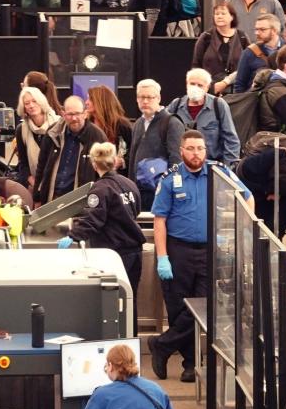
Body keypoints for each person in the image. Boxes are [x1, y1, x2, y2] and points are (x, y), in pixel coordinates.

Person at [149, 130, 251, 382]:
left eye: (200, 149)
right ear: (181, 151)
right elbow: (159, 221)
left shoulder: (219, 172)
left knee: (205, 305)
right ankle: (190, 362)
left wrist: (243, 228)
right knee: (178, 307)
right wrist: (162, 257)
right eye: (191, 148)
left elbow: (247, 197)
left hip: (209, 248)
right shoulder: (170, 179)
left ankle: (162, 344)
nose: (196, 154)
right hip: (178, 250)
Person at [60, 142, 144, 324]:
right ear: (114, 161)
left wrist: (73, 236)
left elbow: (93, 219)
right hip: (135, 251)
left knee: (112, 302)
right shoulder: (129, 184)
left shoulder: (99, 190)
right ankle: (131, 343)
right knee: (130, 300)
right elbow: (136, 210)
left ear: (94, 164)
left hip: (112, 254)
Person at [32, 95, 107, 206]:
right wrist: (37, 197)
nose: (74, 118)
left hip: (80, 203)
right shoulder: (52, 133)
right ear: (63, 114)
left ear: (85, 114)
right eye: (70, 114)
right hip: (52, 199)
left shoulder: (97, 137)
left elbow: (105, 175)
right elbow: (41, 166)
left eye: (77, 113)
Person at [127, 79, 185, 210]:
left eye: (149, 97)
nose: (145, 101)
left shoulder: (172, 123)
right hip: (139, 194)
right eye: (141, 97)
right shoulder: (138, 124)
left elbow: (177, 160)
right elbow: (132, 159)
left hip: (161, 193)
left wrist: (170, 190)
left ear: (158, 98)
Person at [166, 69, 240, 167]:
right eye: (192, 84)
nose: (195, 88)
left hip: (211, 167)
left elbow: (231, 140)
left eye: (200, 85)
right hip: (182, 168)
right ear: (186, 84)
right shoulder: (175, 105)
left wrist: (228, 170)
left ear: (207, 87)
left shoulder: (218, 105)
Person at [192, 2, 249, 95]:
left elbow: (247, 65)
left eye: (223, 13)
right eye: (216, 14)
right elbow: (196, 65)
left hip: (236, 90)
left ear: (232, 17)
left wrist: (226, 82)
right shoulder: (206, 37)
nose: (219, 16)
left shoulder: (242, 37)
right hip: (210, 90)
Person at [11, 86, 60, 188]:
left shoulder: (59, 124)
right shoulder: (21, 130)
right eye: (27, 103)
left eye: (34, 101)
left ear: (41, 102)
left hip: (59, 184)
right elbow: (23, 163)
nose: (31, 106)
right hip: (35, 185)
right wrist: (34, 183)